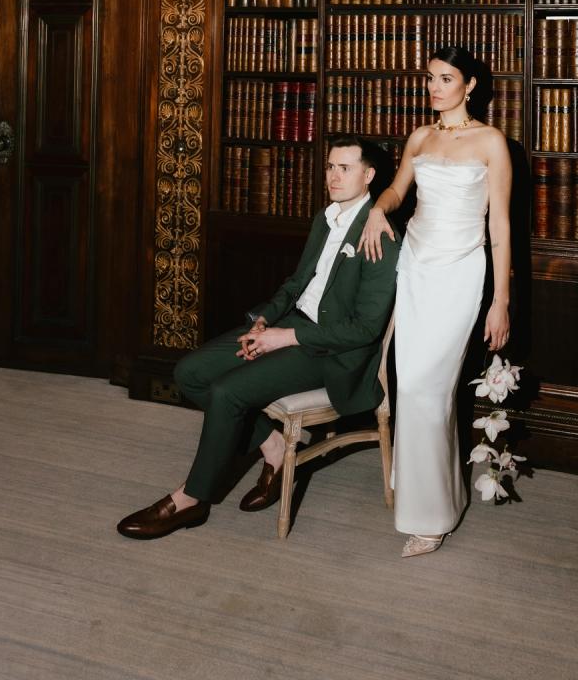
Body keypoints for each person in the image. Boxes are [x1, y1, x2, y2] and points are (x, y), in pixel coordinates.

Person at [117, 135, 399, 540]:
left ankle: (191, 499)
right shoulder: (327, 217)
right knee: (191, 372)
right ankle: (274, 447)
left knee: (227, 392)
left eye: (345, 168)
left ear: (369, 175)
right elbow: (298, 282)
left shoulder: (380, 235)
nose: (334, 177)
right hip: (291, 325)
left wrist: (287, 337)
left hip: (331, 352)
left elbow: (365, 329)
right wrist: (264, 319)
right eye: (330, 167)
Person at [358, 46, 512, 559]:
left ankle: (434, 516)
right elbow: (398, 192)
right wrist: (379, 211)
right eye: (430, 78)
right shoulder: (420, 137)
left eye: (446, 79)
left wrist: (501, 301)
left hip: (460, 273)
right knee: (413, 389)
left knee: (431, 389)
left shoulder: (491, 142)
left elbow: (500, 226)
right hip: (416, 269)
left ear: (470, 86)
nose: (434, 87)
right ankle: (435, 498)